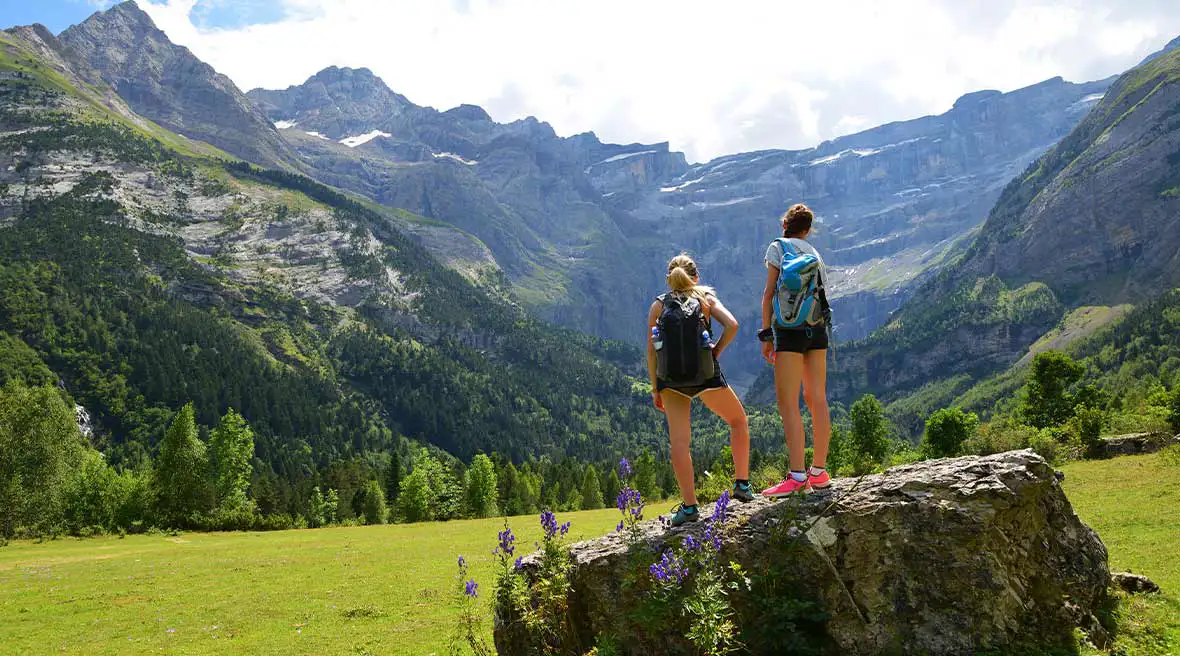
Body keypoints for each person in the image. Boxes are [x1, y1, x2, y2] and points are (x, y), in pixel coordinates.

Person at [647, 254, 753, 526]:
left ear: (670, 279)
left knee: (680, 443)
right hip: (705, 376)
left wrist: (656, 387)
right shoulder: (705, 298)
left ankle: (690, 507)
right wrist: (716, 350)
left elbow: (652, 352)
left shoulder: (658, 306)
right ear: (696, 276)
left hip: (671, 382)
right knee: (738, 421)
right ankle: (742, 485)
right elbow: (732, 324)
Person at [758, 204, 833, 496]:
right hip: (818, 329)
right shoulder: (815, 254)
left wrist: (766, 335)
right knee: (817, 398)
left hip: (789, 331)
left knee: (788, 402)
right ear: (807, 229)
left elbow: (768, 294)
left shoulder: (778, 247)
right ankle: (820, 471)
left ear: (785, 225)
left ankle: (797, 476)